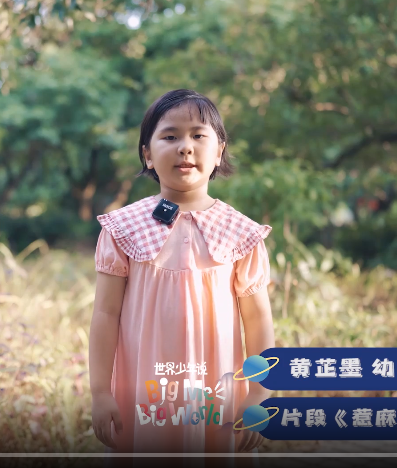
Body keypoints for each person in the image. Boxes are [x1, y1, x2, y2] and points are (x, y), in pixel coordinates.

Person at [89, 89, 275, 468]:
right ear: (147, 154)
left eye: (198, 135)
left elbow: (257, 319)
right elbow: (105, 314)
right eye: (170, 136)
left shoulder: (241, 233)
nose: (185, 147)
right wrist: (100, 393)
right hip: (144, 388)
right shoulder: (123, 228)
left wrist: (259, 393)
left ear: (219, 151)